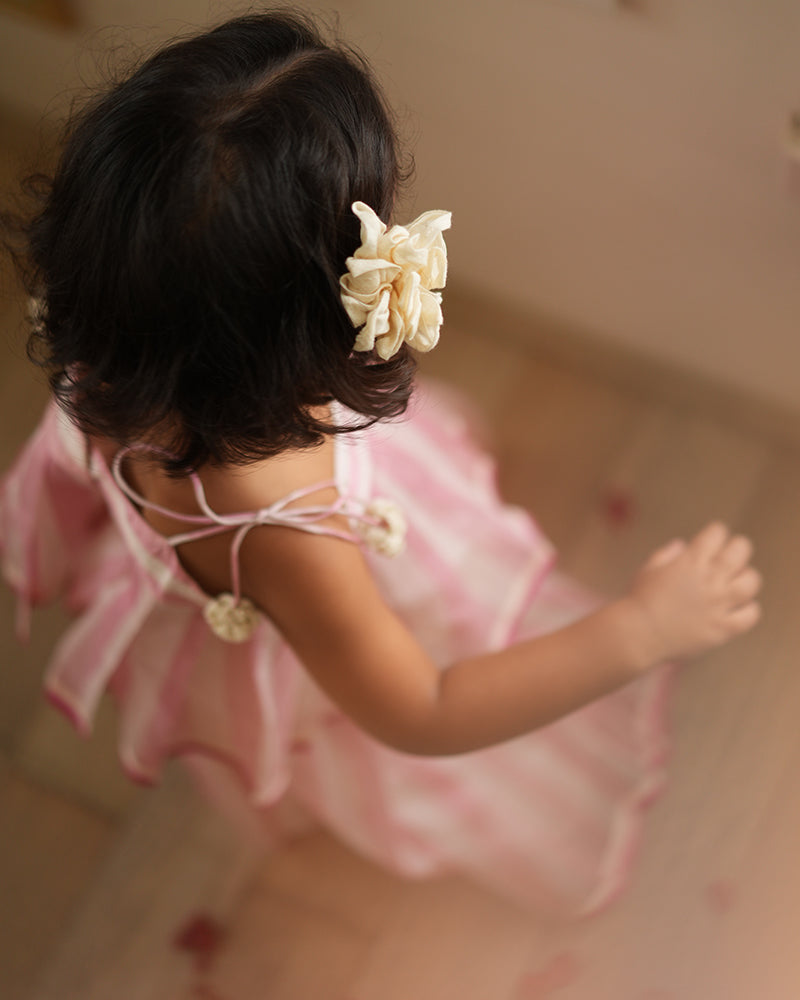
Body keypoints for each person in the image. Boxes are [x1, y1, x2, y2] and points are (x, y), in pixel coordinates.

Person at [0, 10, 761, 915]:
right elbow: (424, 707)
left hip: (264, 510)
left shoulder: (121, 352)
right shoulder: (294, 537)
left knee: (443, 438)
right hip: (335, 603)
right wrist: (641, 630)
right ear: (320, 319)